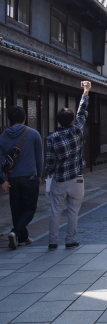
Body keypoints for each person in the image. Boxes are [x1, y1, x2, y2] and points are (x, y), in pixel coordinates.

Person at [45, 81, 91, 250]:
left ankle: (52, 241)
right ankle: (70, 239)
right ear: (72, 121)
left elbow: (49, 162)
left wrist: (48, 173)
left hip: (60, 179)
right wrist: (86, 91)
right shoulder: (77, 129)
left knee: (56, 210)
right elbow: (82, 112)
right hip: (77, 178)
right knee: (73, 210)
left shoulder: (52, 138)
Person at [0, 106, 43, 250]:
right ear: (24, 118)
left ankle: (23, 238)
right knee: (30, 209)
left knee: (16, 210)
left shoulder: (2, 137)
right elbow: (39, 158)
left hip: (12, 179)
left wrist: (3, 181)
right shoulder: (34, 134)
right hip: (30, 177)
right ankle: (15, 232)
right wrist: (39, 175)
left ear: (9, 119)